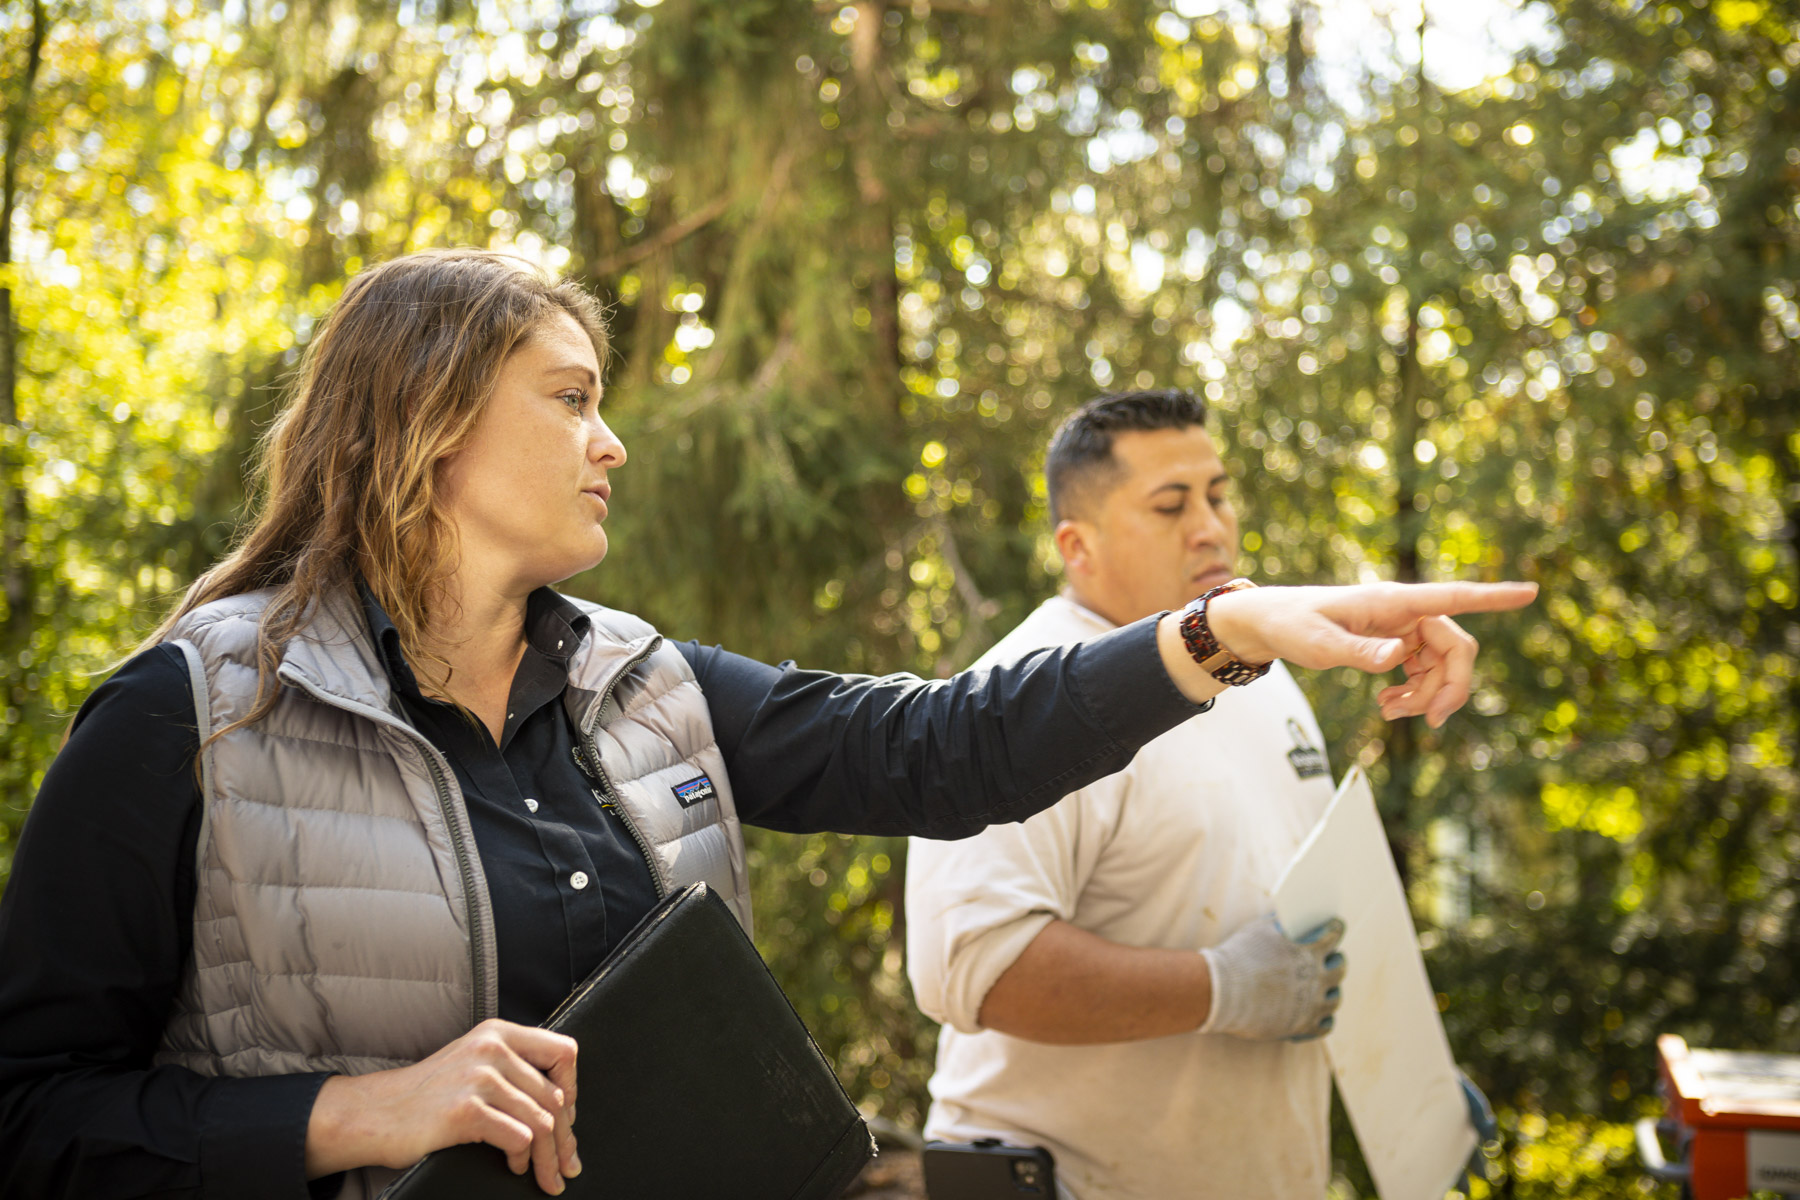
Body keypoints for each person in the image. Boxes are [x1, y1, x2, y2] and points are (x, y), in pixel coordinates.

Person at [0, 251, 1534, 1200]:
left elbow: (947, 748)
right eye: (571, 397)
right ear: (431, 419)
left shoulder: (642, 686)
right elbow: (37, 1121)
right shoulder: (186, 722)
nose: (612, 442)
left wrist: (1225, 631)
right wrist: (356, 1117)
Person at [905, 390, 1432, 1199]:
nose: (1211, 527)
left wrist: (1417, 1096)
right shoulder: (1018, 701)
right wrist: (1223, 987)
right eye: (1170, 505)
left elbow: (1306, 926)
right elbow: (974, 967)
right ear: (1077, 546)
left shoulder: (1263, 678)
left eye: (1218, 495)